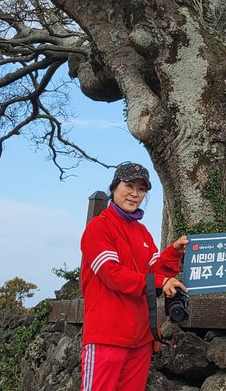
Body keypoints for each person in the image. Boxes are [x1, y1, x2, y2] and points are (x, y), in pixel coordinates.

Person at [80, 162, 188, 391]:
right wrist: (160, 281)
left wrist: (173, 253)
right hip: (106, 337)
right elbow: (112, 274)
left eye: (141, 189)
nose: (135, 194)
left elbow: (155, 273)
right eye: (129, 185)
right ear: (114, 187)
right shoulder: (98, 227)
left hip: (141, 338)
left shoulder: (142, 232)